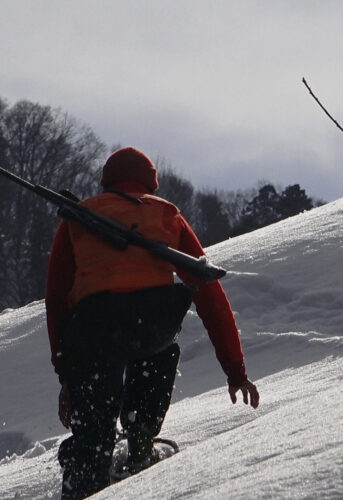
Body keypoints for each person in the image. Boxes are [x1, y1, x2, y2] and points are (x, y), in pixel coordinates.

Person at [45, 146, 259, 499]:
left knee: (92, 434)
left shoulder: (79, 217)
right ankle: (141, 438)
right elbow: (209, 291)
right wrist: (235, 370)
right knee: (158, 349)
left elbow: (56, 301)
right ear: (151, 184)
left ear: (106, 183)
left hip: (95, 326)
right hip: (153, 323)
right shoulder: (166, 214)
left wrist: (67, 376)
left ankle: (88, 465)